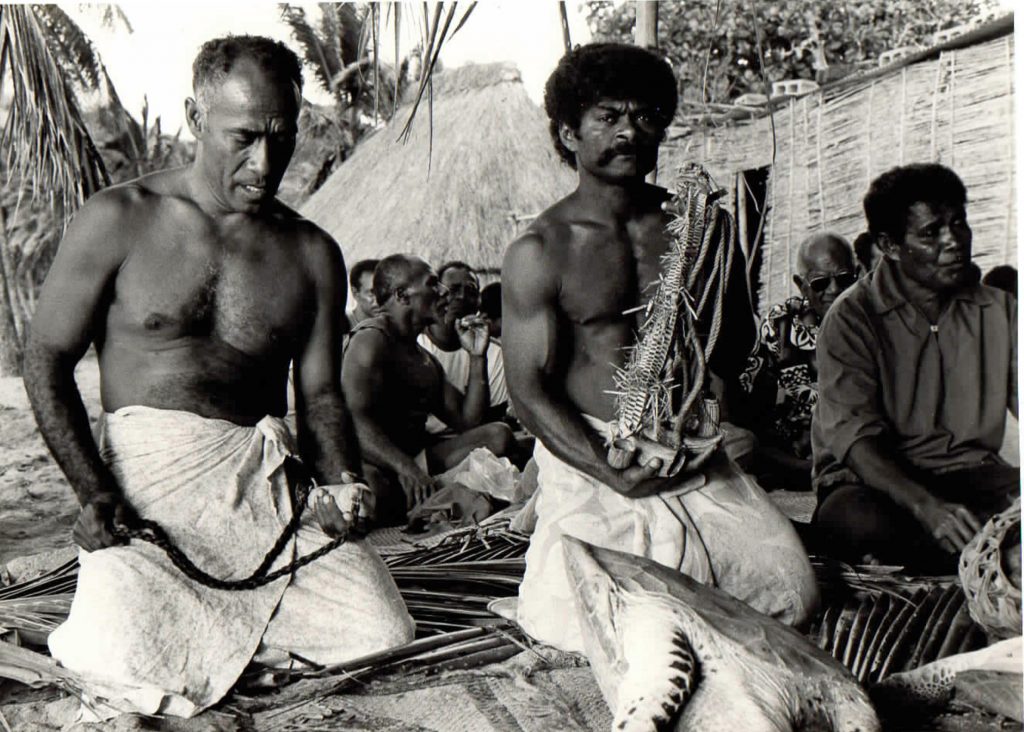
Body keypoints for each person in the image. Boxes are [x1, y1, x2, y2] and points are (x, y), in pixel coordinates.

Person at [23, 36, 413, 718]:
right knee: (114, 656)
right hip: (144, 494)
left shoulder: (313, 253)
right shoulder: (118, 220)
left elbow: (319, 397)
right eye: (244, 137)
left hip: (265, 490)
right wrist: (94, 492)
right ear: (192, 117)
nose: (265, 164)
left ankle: (221, 645)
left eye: (282, 138)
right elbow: (46, 360)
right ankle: (218, 642)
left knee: (383, 633)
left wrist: (341, 483)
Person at [502, 43, 817, 654]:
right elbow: (527, 388)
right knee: (578, 623)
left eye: (645, 117)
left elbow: (731, 352)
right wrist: (606, 468)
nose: (628, 131)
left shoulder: (697, 228)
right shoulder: (541, 249)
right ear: (568, 132)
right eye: (607, 116)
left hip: (688, 451)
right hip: (591, 454)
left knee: (790, 590)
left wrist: (713, 263)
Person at [812, 163, 1018, 573]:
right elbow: (855, 442)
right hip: (875, 485)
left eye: (959, 224)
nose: (954, 241)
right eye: (930, 233)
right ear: (888, 245)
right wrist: (927, 506)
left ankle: (960, 556)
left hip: (970, 476)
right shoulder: (853, 317)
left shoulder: (998, 310)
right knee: (859, 521)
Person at [343, 255, 514, 525]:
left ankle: (422, 496)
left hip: (415, 462)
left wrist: (477, 357)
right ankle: (420, 497)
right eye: (433, 284)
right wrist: (404, 467)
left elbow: (469, 421)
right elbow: (351, 422)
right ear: (402, 295)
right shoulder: (370, 340)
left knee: (499, 435)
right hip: (371, 463)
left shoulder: (424, 360)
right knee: (374, 490)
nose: (444, 293)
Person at [738, 233, 857, 489]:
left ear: (858, 274)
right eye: (820, 283)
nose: (835, 290)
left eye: (845, 279)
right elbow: (751, 403)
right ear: (800, 285)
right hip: (793, 459)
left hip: (859, 454)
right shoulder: (780, 326)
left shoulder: (872, 322)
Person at [419, 261, 509, 423]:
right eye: (453, 290)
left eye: (471, 291)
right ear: (436, 295)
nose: (462, 297)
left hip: (472, 441)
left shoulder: (495, 353)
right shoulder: (415, 345)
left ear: (478, 303)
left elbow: (489, 423)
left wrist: (478, 357)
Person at [347, 257, 381, 327]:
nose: (379, 299)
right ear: (355, 293)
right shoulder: (339, 326)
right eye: (372, 293)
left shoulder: (396, 327)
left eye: (383, 292)